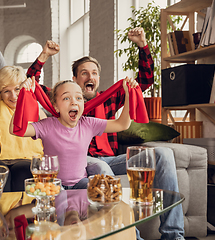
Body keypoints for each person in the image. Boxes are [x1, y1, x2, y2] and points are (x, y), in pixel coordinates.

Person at [28, 27, 184, 240]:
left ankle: (174, 235)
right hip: (86, 161)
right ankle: (131, 235)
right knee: (100, 166)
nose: (89, 76)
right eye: (83, 73)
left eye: (94, 73)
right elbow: (32, 86)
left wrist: (142, 46)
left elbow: (145, 82)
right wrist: (44, 56)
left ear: (99, 79)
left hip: (113, 159)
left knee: (164, 154)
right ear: (74, 78)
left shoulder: (109, 98)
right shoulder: (64, 102)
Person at [9, 78, 136, 189]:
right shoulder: (47, 125)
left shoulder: (88, 124)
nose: (74, 102)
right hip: (53, 184)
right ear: (56, 106)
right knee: (59, 201)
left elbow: (122, 124)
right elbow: (16, 130)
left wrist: (129, 95)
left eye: (78, 98)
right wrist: (22, 97)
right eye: (66, 98)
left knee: (101, 191)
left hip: (81, 182)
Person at [0, 66, 46, 192]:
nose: (14, 96)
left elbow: (49, 137)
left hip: (28, 159)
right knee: (0, 171)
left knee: (24, 170)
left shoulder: (36, 111)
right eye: (6, 91)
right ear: (0, 93)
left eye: (17, 89)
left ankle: (21, 210)